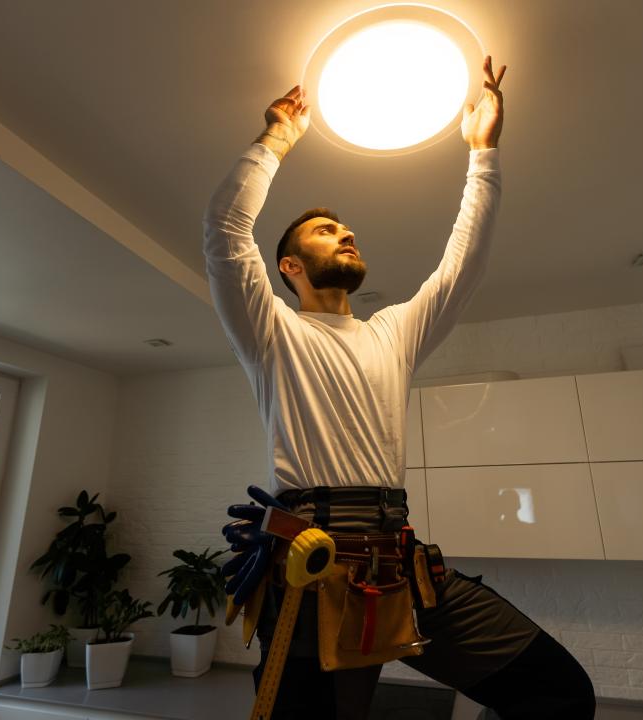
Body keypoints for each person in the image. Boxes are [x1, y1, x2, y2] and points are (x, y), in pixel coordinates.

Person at [203, 56, 595, 720]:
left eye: (347, 228)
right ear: (290, 266)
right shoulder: (272, 331)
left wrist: (483, 153)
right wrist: (273, 141)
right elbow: (223, 233)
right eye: (327, 231)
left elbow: (462, 263)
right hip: (310, 566)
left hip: (401, 564)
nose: (347, 233)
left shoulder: (392, 331)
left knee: (559, 693)